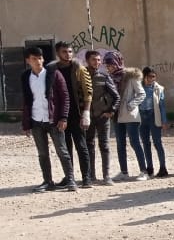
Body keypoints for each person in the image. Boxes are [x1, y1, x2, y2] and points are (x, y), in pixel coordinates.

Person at [21, 45, 75, 193]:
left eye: (40, 58)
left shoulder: (54, 74)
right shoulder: (25, 77)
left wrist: (63, 117)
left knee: (62, 151)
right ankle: (48, 181)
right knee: (43, 153)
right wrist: (25, 124)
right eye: (34, 59)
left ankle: (70, 179)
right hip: (36, 120)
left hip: (54, 120)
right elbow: (26, 100)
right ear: (28, 61)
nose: (38, 61)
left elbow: (65, 97)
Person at [50, 41, 92, 188]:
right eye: (64, 52)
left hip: (77, 113)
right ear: (58, 53)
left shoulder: (79, 68)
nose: (67, 54)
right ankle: (70, 177)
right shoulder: (52, 70)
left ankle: (86, 178)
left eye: (69, 51)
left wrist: (86, 112)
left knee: (81, 145)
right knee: (65, 147)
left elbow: (88, 92)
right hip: (60, 114)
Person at [106, 51, 148, 182]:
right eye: (107, 65)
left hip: (130, 115)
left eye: (111, 64)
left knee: (134, 142)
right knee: (120, 144)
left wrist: (131, 105)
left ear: (117, 62)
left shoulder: (131, 77)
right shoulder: (110, 78)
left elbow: (141, 94)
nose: (110, 67)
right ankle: (124, 172)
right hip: (116, 115)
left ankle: (144, 171)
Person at [83, 48, 119, 185]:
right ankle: (91, 176)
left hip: (102, 117)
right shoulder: (81, 76)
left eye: (99, 60)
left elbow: (116, 97)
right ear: (87, 61)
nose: (97, 62)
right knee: (89, 145)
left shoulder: (104, 77)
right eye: (94, 59)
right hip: (87, 117)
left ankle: (106, 176)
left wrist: (111, 111)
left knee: (104, 146)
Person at [139, 66, 169, 179]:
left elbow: (162, 106)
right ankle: (149, 168)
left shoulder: (158, 89)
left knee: (157, 142)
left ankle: (163, 168)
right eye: (150, 77)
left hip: (153, 116)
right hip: (141, 117)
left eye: (154, 77)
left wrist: (164, 121)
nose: (152, 79)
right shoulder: (139, 87)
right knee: (145, 143)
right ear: (144, 77)